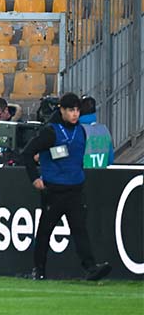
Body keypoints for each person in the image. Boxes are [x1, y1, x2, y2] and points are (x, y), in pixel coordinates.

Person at [18, 92, 112, 281]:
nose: (75, 114)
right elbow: (27, 153)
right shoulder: (51, 132)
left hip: (75, 189)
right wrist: (35, 178)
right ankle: (39, 270)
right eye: (70, 110)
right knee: (45, 232)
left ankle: (91, 268)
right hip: (54, 190)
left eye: (77, 110)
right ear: (61, 110)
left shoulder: (82, 131)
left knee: (80, 231)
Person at [78, 96, 114, 169]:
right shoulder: (104, 130)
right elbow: (110, 160)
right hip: (101, 176)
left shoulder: (78, 130)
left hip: (82, 176)